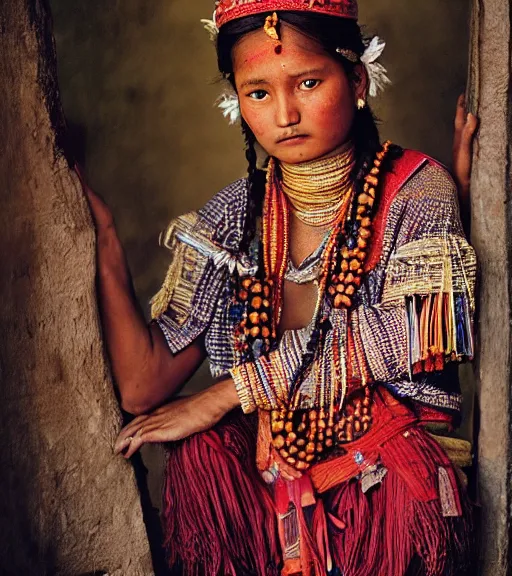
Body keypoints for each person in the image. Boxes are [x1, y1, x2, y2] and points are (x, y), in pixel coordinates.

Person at [81, 1, 479, 574]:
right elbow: (143, 385)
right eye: (258, 92)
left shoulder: (415, 190)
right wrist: (106, 242)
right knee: (202, 456)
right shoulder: (237, 217)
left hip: (386, 486)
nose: (285, 113)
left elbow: (416, 330)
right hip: (276, 475)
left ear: (357, 79)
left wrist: (228, 392)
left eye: (309, 82)